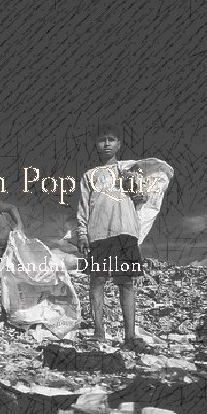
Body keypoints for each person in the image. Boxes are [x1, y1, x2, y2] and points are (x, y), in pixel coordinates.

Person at [76, 123, 147, 352]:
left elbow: (142, 198)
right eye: (102, 140)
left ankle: (130, 336)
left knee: (126, 283)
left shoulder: (129, 169)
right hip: (98, 233)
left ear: (119, 144)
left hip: (125, 230)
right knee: (97, 281)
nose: (106, 144)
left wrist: (132, 183)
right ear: (96, 145)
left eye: (111, 139)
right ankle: (99, 333)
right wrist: (82, 234)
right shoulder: (89, 175)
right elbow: (83, 207)